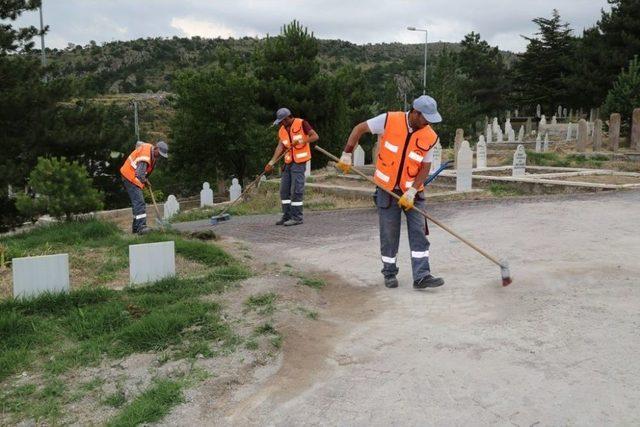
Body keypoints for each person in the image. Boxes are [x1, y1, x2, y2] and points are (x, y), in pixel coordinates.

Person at [337, 95, 445, 290]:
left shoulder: (429, 136)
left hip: (413, 193)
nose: (427, 122)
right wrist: (347, 153)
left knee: (419, 231)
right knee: (389, 233)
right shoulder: (389, 120)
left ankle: (422, 276)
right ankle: (389, 273)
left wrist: (412, 191)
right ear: (415, 112)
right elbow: (359, 129)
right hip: (387, 191)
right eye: (425, 118)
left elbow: (425, 168)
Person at [264, 107, 319, 226]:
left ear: (288, 117)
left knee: (296, 190)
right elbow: (280, 147)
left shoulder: (301, 123)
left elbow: (315, 136)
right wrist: (271, 162)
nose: (281, 124)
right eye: (280, 122)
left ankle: (297, 217)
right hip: (288, 162)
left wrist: (302, 141)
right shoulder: (282, 130)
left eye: (282, 121)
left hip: (299, 162)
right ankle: (287, 216)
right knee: (284, 191)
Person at [120, 140, 169, 234]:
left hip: (131, 175)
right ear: (156, 148)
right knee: (140, 202)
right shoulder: (146, 156)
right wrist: (145, 181)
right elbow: (139, 174)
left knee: (137, 203)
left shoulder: (151, 152)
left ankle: (135, 228)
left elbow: (139, 144)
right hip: (130, 176)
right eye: (160, 153)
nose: (160, 156)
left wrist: (146, 180)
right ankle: (141, 228)